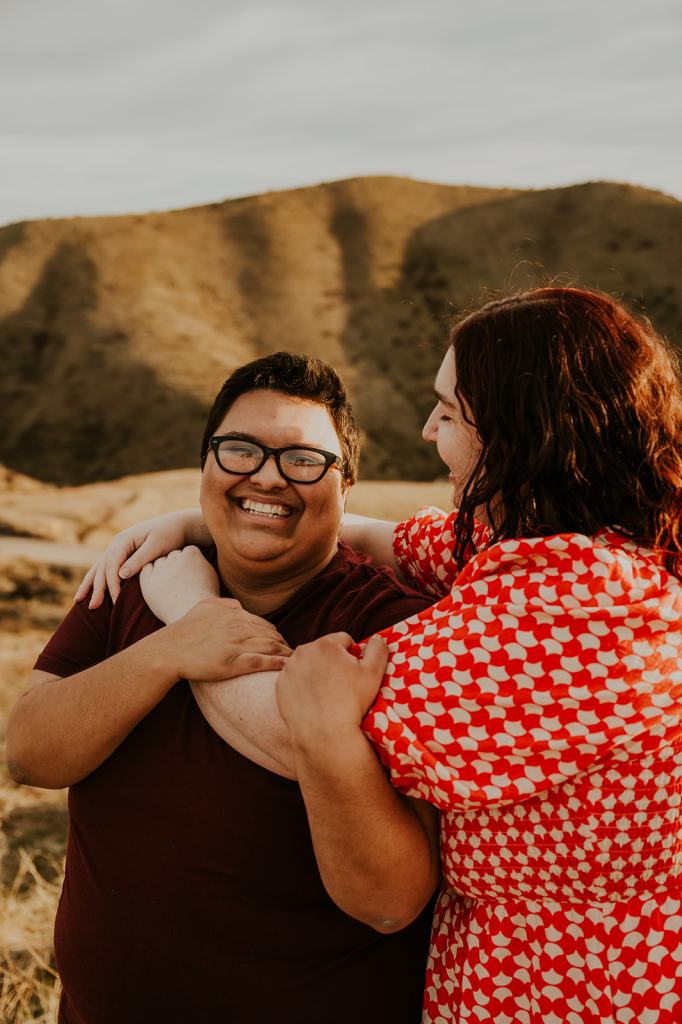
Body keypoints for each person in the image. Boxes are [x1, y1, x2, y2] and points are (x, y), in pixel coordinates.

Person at [85, 286, 682, 1024]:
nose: (430, 429)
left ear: (521, 436)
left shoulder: (568, 612)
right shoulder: (549, 542)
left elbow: (292, 723)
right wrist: (206, 516)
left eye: (452, 413)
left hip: (584, 985)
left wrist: (192, 610)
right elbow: (386, 536)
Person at [6, 353, 441, 1024]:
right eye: (240, 450)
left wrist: (200, 627)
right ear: (206, 465)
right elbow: (31, 754)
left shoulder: (396, 625)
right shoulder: (137, 578)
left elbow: (390, 898)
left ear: (346, 484)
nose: (265, 475)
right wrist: (173, 649)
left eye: (302, 459)